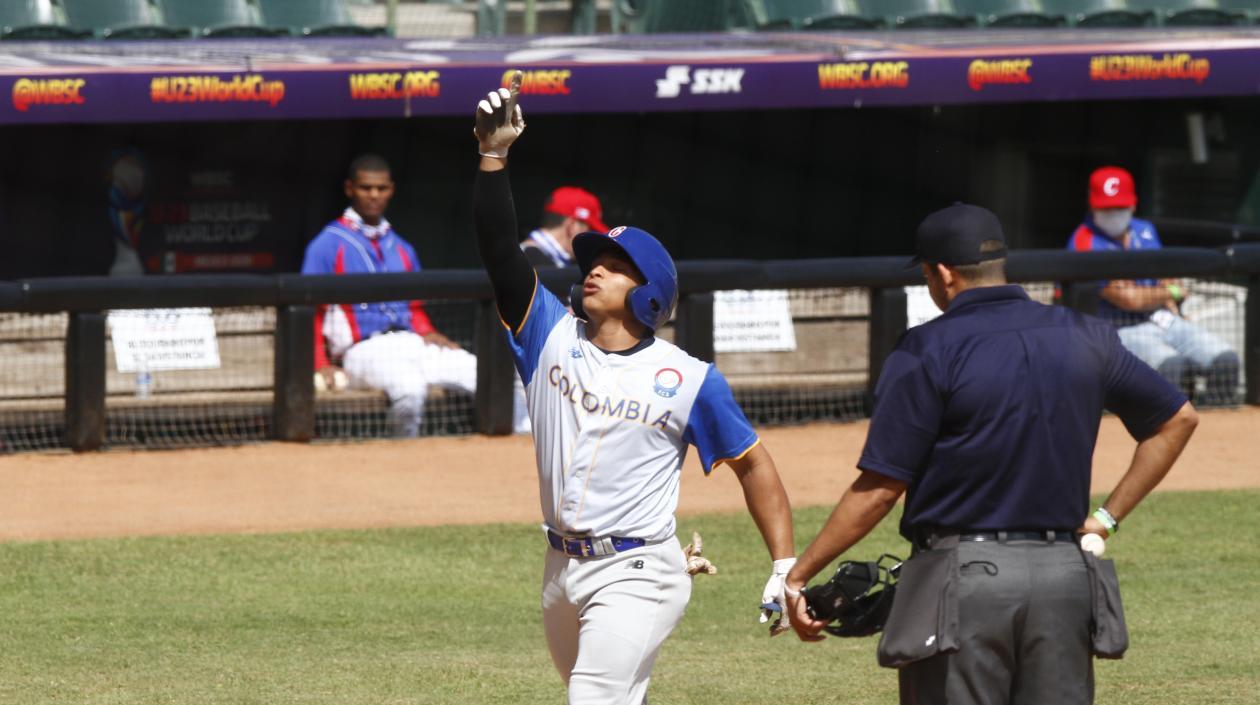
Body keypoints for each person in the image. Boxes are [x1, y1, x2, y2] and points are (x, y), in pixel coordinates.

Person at [784, 204, 1198, 705]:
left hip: (964, 584)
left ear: (941, 273)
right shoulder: (1086, 334)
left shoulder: (925, 349)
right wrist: (1106, 520)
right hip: (1065, 579)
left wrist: (801, 573)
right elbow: (1177, 420)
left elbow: (880, 490)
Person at [472, 78, 797, 704]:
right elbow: (497, 253)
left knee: (593, 698)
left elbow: (753, 463)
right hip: (559, 568)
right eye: (593, 259)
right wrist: (493, 157)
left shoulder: (689, 378)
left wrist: (784, 566)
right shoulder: (548, 336)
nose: (594, 267)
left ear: (650, 295)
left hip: (640, 570)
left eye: (616, 266)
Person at [301, 153, 528, 437]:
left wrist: (428, 331)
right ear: (350, 189)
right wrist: (320, 364)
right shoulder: (327, 244)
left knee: (487, 376)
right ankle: (404, 457)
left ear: (391, 190)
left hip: (410, 342)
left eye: (381, 188)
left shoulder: (402, 248)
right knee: (409, 390)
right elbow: (309, 311)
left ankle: (522, 449)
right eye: (366, 188)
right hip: (361, 350)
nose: (374, 195)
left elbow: (415, 309)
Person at [1068, 165, 1240, 404]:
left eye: (1120, 206)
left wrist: (1167, 296)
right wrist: (1168, 292)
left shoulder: (1144, 230)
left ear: (1133, 204)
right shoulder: (1084, 241)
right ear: (1092, 205)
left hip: (1162, 318)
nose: (1115, 213)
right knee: (1172, 367)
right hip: (1116, 330)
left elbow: (1165, 275)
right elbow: (1129, 299)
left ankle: (1214, 431)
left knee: (1226, 361)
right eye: (1107, 208)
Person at [522, 186, 608, 268]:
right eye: (590, 231)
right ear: (572, 226)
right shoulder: (533, 262)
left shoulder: (523, 256)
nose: (592, 242)